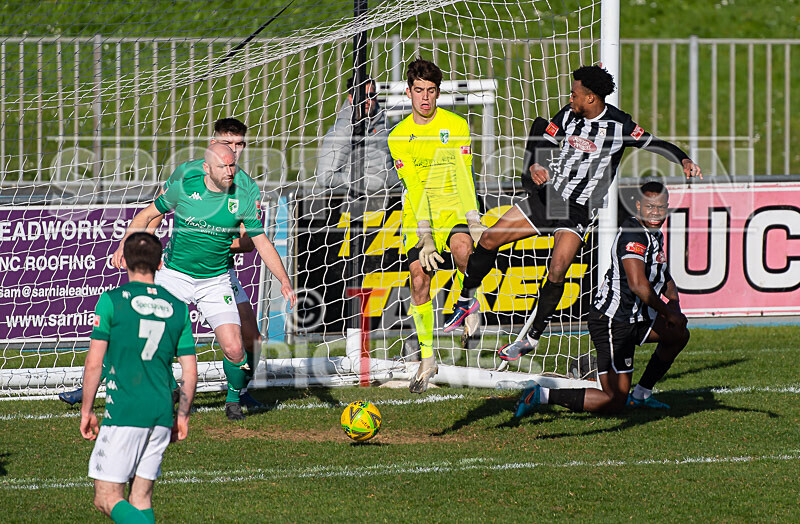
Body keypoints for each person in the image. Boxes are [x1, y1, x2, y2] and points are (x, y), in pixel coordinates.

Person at [443, 65, 702, 362]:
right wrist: (536, 164)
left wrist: (683, 159)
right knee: (489, 239)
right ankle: (467, 299)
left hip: (578, 210)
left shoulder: (620, 125)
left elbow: (655, 143)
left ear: (590, 98)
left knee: (557, 269)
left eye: (574, 93)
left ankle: (531, 337)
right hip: (548, 197)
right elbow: (545, 140)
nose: (570, 97)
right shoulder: (568, 114)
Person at [60, 118, 265, 411]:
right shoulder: (187, 173)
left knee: (250, 337)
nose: (234, 149)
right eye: (227, 143)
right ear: (213, 144)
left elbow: (249, 243)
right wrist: (142, 248)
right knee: (142, 325)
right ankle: (94, 385)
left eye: (239, 144)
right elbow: (155, 213)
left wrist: (212, 239)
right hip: (178, 268)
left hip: (220, 270)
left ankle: (240, 391)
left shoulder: (247, 187)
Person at [111, 142, 295, 421]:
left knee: (235, 348)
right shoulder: (185, 187)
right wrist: (125, 244)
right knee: (149, 337)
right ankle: (170, 389)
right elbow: (148, 215)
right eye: (223, 166)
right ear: (207, 168)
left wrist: (284, 280)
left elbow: (261, 242)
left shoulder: (242, 197)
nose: (230, 171)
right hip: (174, 276)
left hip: (215, 281)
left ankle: (233, 400)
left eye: (232, 165)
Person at [515, 182, 689, 417]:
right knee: (614, 401)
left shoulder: (653, 233)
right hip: (613, 322)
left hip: (637, 319)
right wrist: (668, 313)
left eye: (661, 207)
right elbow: (638, 285)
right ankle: (540, 395)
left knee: (678, 333)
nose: (656, 213)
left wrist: (675, 306)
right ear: (638, 206)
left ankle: (641, 396)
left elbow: (663, 274)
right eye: (650, 207)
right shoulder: (633, 235)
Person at [81, 232, 197, 523]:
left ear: (124, 262)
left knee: (106, 497)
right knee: (140, 498)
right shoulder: (179, 308)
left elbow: (94, 363)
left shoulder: (111, 301)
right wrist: (182, 415)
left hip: (125, 409)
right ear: (160, 264)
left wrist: (86, 410)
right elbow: (190, 371)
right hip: (161, 411)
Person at [387, 57, 486, 393]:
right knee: (419, 280)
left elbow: (462, 174)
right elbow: (414, 187)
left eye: (431, 90)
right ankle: (427, 359)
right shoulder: (399, 136)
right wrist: (425, 234)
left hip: (454, 207)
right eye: (419, 90)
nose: (425, 97)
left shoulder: (456, 125)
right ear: (409, 92)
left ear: (438, 93)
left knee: (463, 248)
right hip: (418, 213)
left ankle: (470, 302)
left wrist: (473, 219)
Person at [317, 76, 398, 193]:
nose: (366, 101)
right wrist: (367, 182)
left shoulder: (383, 122)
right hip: (357, 200)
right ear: (351, 98)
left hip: (390, 195)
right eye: (361, 96)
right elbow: (325, 177)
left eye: (370, 95)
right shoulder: (341, 131)